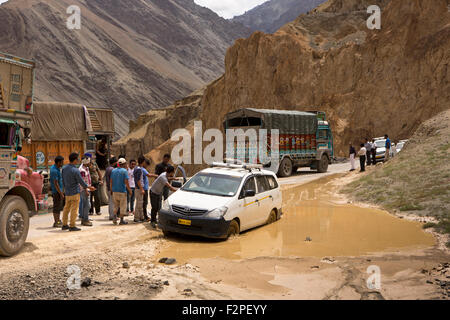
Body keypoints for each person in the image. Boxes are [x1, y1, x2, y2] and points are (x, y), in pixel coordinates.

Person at [61, 153, 95, 231]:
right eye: (77, 159)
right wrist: (89, 187)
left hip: (67, 192)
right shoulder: (75, 170)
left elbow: (63, 180)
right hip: (75, 192)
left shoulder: (64, 168)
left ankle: (64, 224)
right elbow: (81, 182)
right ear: (75, 160)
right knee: (74, 210)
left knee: (66, 209)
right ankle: (72, 225)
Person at [110, 158, 132, 225]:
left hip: (114, 191)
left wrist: (111, 190)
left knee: (115, 205)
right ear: (124, 164)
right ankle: (121, 220)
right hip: (122, 191)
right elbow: (126, 182)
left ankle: (114, 218)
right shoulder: (124, 171)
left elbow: (111, 181)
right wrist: (130, 191)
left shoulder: (113, 171)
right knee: (123, 206)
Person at [50, 156, 65, 227]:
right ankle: (56, 222)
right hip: (56, 192)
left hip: (58, 191)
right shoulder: (54, 170)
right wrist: (61, 193)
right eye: (62, 162)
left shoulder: (57, 168)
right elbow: (56, 183)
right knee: (56, 207)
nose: (63, 163)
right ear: (58, 162)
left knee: (58, 207)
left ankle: (58, 220)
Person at [79, 157, 94, 226]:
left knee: (86, 205)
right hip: (84, 190)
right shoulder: (82, 170)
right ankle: (85, 220)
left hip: (87, 188)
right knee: (87, 205)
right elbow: (82, 182)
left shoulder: (86, 168)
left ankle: (85, 218)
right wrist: (86, 190)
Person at [133, 156, 146, 222]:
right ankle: (136, 218)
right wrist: (141, 189)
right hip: (138, 189)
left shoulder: (136, 168)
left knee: (140, 204)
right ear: (143, 161)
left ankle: (141, 217)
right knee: (138, 204)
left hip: (137, 188)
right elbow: (138, 180)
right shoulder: (138, 169)